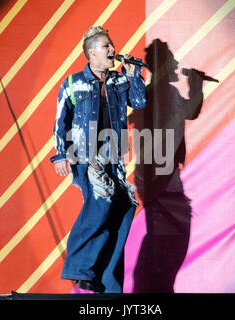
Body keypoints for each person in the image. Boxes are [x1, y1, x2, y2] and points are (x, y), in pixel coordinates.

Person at [50, 26, 146, 293]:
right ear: (92, 53)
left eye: (112, 45)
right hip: (85, 156)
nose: (113, 50)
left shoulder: (118, 80)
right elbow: (61, 121)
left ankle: (107, 282)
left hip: (113, 155)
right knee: (101, 204)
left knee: (123, 211)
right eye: (106, 47)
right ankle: (79, 267)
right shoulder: (72, 83)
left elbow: (138, 102)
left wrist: (134, 75)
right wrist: (61, 154)